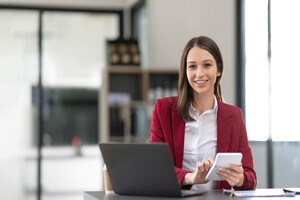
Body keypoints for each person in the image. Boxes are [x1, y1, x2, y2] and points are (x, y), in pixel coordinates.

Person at [150, 36, 257, 190]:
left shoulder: (234, 116)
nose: (199, 74)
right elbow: (155, 169)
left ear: (219, 69)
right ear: (185, 71)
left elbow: (251, 177)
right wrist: (192, 177)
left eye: (207, 65)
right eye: (192, 66)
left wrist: (240, 179)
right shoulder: (164, 109)